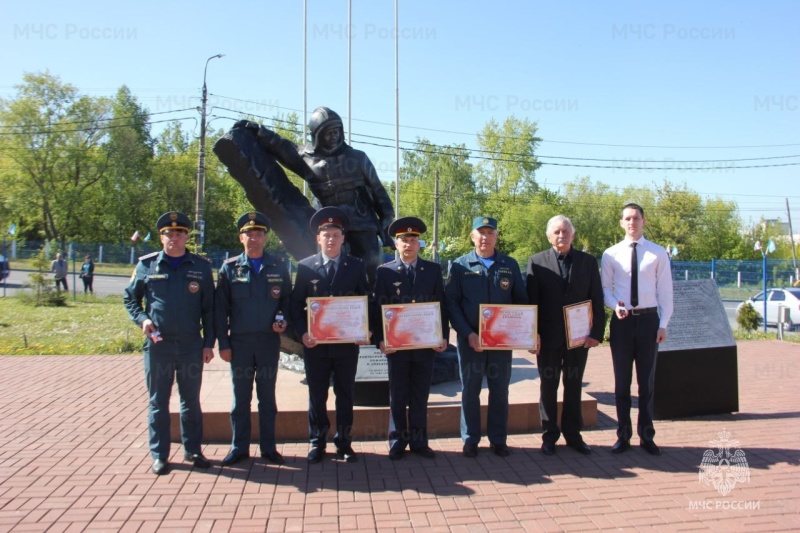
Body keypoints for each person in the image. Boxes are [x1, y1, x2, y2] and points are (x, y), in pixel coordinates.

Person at [236, 107, 395, 282]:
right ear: (317, 135)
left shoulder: (358, 157)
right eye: (328, 132)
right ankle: (326, 304)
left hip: (361, 220)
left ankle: (371, 304)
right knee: (326, 269)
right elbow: (280, 146)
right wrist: (259, 131)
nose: (334, 136)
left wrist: (387, 216)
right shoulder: (306, 158)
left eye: (337, 131)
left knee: (370, 263)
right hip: (328, 222)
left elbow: (378, 190)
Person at [123, 211, 215, 475]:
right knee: (158, 401)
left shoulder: (200, 266)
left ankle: (193, 450)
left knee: (190, 401)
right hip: (158, 345)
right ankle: (160, 454)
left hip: (190, 345)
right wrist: (141, 319)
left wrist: (208, 343)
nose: (174, 238)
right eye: (169, 234)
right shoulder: (147, 265)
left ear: (187, 236)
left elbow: (209, 309)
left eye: (180, 233)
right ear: (162, 237)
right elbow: (130, 299)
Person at [290, 206, 371, 464]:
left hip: (347, 345)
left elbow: (366, 300)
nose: (331, 240)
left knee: (346, 395)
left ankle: (344, 443)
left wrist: (365, 329)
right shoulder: (305, 268)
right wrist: (302, 333)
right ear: (318, 238)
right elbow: (294, 307)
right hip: (316, 346)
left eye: (336, 235)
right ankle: (317, 442)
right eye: (327, 235)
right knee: (317, 395)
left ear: (343, 238)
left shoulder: (356, 266)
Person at [445, 216, 527, 458]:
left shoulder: (509, 264)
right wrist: (468, 334)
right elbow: (452, 303)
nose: (485, 237)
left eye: (490, 232)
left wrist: (522, 333)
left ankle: (498, 439)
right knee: (470, 390)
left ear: (496, 236)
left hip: (501, 343)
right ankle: (470, 439)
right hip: (471, 341)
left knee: (500, 390)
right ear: (472, 236)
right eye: (480, 232)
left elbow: (521, 302)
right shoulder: (460, 265)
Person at [215, 212, 292, 467]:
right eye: (249, 234)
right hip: (240, 344)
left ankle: (268, 447)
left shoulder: (279, 266)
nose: (254, 238)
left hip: (269, 342)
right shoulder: (229, 268)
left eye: (258, 234)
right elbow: (220, 309)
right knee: (241, 399)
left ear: (265, 237)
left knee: (267, 397)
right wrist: (223, 344)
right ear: (241, 238)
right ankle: (239, 447)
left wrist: (282, 317)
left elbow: (287, 301)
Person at [526, 215, 605, 456]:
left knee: (573, 386)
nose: (562, 235)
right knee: (548, 387)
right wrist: (533, 335)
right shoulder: (536, 262)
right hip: (548, 339)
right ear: (549, 236)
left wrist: (596, 333)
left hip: (579, 338)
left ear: (573, 234)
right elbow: (532, 302)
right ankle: (549, 435)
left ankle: (573, 435)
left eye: (566, 231)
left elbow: (597, 299)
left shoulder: (588, 262)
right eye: (557, 232)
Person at [372, 217, 449, 461]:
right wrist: (380, 340)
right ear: (396, 244)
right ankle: (397, 441)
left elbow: (441, 305)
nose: (409, 244)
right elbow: (377, 309)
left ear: (419, 244)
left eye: (413, 239)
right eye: (404, 239)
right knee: (398, 394)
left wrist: (443, 336)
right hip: (397, 347)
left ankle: (418, 441)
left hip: (425, 344)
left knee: (420, 395)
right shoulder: (384, 272)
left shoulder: (433, 270)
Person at [601, 203, 673, 456]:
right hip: (622, 322)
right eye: (627, 218)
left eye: (636, 218)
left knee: (647, 383)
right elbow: (605, 290)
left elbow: (665, 293)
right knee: (622, 384)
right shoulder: (611, 254)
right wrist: (614, 306)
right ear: (621, 223)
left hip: (649, 322)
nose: (632, 222)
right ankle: (623, 435)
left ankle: (647, 436)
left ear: (644, 221)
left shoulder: (657, 253)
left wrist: (663, 324)